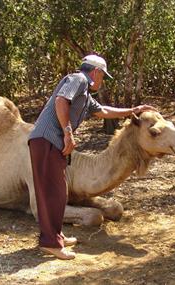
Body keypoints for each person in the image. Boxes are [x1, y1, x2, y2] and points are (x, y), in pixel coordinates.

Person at [28, 54, 156, 260]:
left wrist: (133, 110)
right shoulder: (77, 80)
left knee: (59, 192)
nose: (102, 81)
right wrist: (68, 132)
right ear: (96, 72)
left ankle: (55, 237)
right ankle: (50, 243)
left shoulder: (85, 96)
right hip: (46, 140)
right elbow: (61, 100)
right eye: (103, 76)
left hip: (54, 143)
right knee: (51, 192)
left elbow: (103, 110)